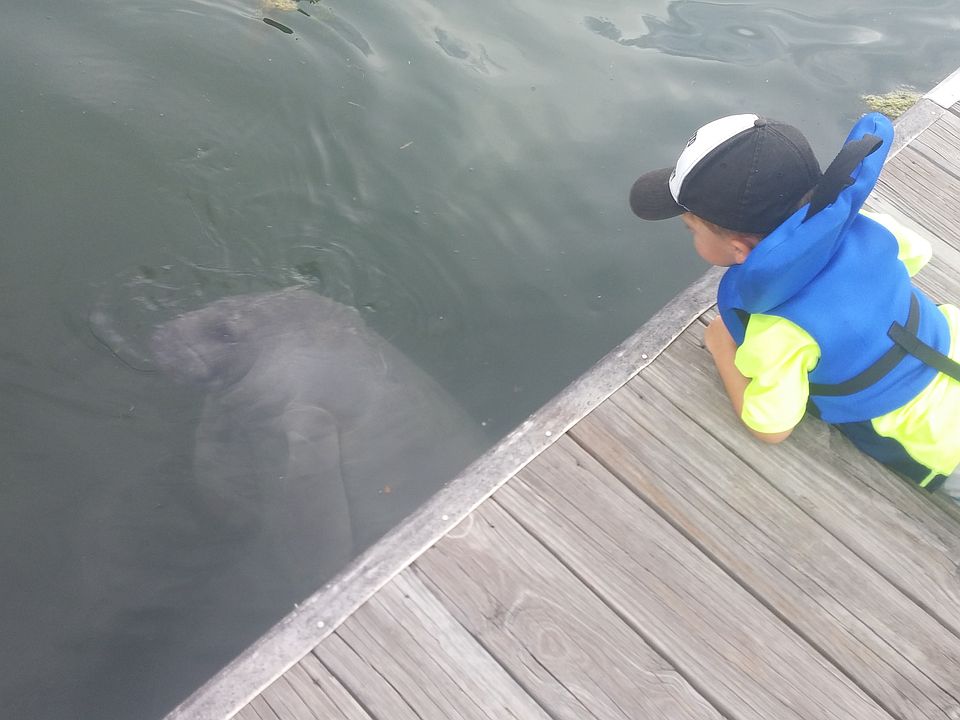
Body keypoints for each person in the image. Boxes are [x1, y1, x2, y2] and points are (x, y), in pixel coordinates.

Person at [628, 112, 960, 495]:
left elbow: (772, 427)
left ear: (739, 249)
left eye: (692, 229)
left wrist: (720, 345)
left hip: (941, 447)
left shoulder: (778, 330)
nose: (691, 236)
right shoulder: (873, 229)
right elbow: (918, 252)